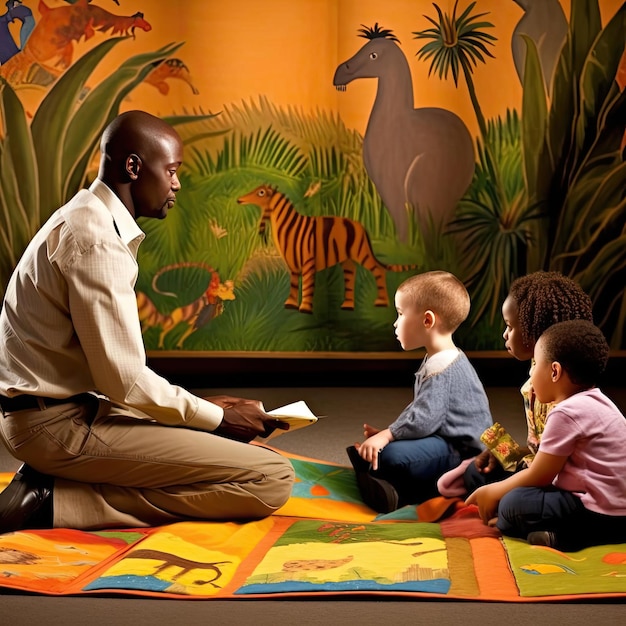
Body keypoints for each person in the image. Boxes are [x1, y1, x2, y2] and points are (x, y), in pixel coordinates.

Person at [0, 110, 294, 533]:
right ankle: (56, 500)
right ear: (134, 167)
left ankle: (58, 483)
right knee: (271, 477)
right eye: (172, 170)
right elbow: (126, 382)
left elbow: (114, 378)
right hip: (54, 428)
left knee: (209, 432)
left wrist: (208, 408)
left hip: (71, 410)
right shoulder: (95, 240)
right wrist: (216, 417)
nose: (177, 183)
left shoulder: (88, 217)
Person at [466, 320, 626, 551]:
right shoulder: (599, 402)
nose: (531, 372)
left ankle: (566, 538)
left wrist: (493, 491)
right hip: (612, 510)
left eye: (535, 365)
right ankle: (550, 535)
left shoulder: (566, 412)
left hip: (599, 513)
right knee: (501, 490)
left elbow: (540, 475)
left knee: (513, 504)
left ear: (554, 371)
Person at [346, 271, 493, 513]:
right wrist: (390, 432)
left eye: (401, 314)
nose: (395, 322)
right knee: (387, 450)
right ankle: (381, 475)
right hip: (443, 439)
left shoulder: (443, 367)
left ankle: (396, 490)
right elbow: (423, 412)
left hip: (461, 452)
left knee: (390, 456)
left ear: (427, 321)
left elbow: (425, 419)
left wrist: (388, 436)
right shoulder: (441, 358)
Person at [460, 271, 594, 495]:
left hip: (566, 482)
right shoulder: (536, 374)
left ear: (537, 332)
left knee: (515, 502)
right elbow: (540, 449)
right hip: (542, 467)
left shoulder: (566, 391)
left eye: (510, 327)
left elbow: (556, 467)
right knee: (476, 473)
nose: (505, 334)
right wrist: (506, 453)